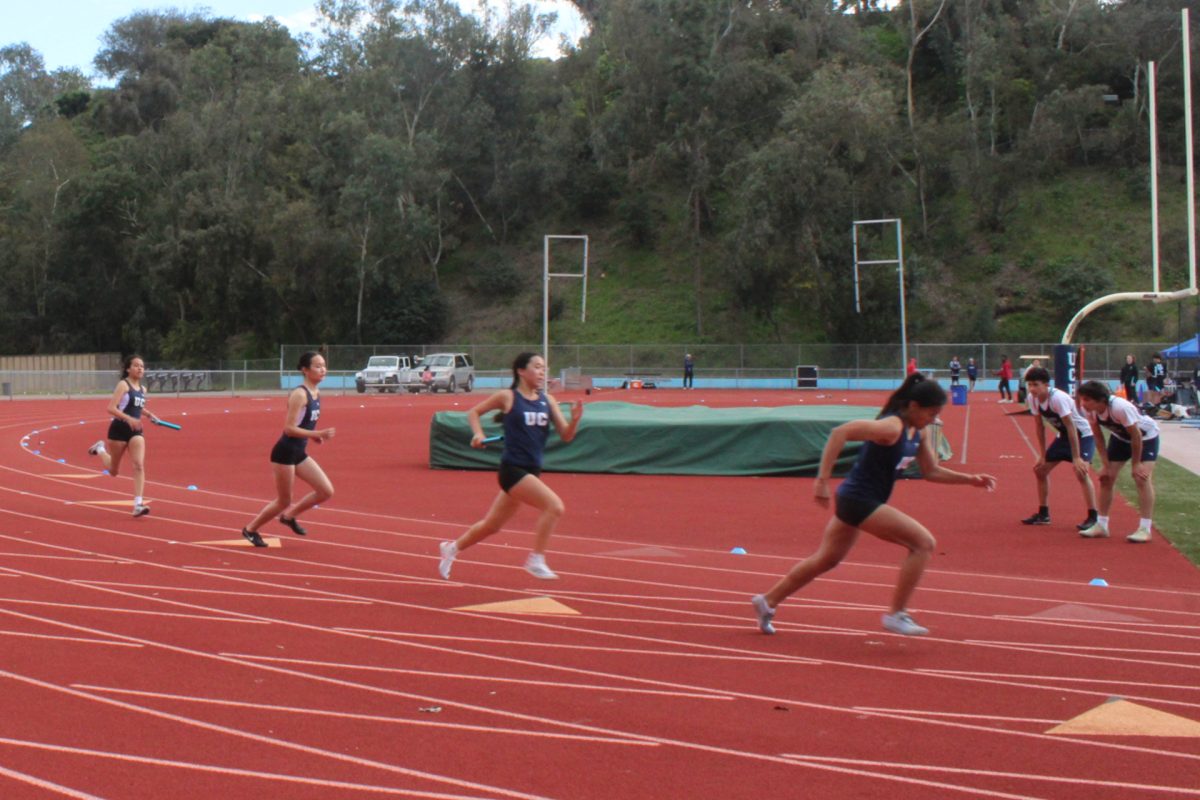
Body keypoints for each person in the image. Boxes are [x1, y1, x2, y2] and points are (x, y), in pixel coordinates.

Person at [750, 374, 996, 637]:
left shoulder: (920, 433)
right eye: (931, 412)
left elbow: (931, 471)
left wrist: (970, 479)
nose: (934, 419)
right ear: (913, 406)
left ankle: (768, 601)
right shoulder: (891, 427)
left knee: (826, 559)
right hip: (859, 500)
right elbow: (840, 432)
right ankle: (896, 614)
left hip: (858, 500)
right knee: (922, 543)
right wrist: (821, 481)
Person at [438, 352, 583, 581]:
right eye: (537, 367)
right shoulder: (508, 397)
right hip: (512, 470)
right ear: (521, 371)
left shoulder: (548, 401)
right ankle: (536, 559)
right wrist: (478, 434)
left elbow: (566, 436)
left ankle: (451, 548)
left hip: (532, 470)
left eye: (544, 367)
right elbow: (474, 413)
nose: (542, 372)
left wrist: (574, 420)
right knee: (554, 507)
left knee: (492, 525)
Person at [240, 352, 336, 547]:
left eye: (324, 365)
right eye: (317, 366)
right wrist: (316, 434)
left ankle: (289, 517)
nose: (323, 369)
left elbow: (304, 424)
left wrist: (313, 436)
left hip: (298, 452)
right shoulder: (300, 394)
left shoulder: (316, 393)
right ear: (305, 370)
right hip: (284, 453)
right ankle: (250, 529)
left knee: (326, 491)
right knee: (284, 500)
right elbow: (289, 428)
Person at [1076, 380, 1159, 543]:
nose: (1083, 403)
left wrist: (1136, 464)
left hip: (1146, 437)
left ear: (1101, 400)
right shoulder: (1091, 411)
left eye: (1087, 400)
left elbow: (1136, 436)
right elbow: (1098, 437)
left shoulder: (1120, 407)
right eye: (1081, 399)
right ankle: (1102, 525)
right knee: (1106, 479)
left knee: (1141, 478)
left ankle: (1145, 528)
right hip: (1120, 438)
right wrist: (1106, 465)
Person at [1019, 366, 1098, 530]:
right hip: (1063, 437)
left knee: (1081, 472)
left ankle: (1093, 516)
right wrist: (1042, 454)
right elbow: (1039, 426)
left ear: (1046, 385)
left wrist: (1076, 457)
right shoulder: (1032, 398)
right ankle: (1043, 514)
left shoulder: (1058, 398)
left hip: (1082, 436)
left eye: (1035, 385)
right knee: (1040, 470)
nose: (1032, 389)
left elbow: (1071, 427)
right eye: (1029, 385)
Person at [87, 355, 164, 517]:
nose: (140, 368)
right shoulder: (123, 384)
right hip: (119, 430)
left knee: (139, 465)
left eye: (142, 366)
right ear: (128, 369)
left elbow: (137, 406)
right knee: (113, 471)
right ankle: (100, 449)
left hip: (135, 431)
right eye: (136, 366)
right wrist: (129, 419)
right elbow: (111, 408)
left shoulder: (143, 390)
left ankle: (138, 504)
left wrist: (150, 415)